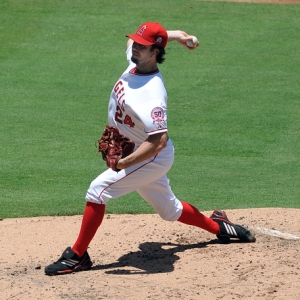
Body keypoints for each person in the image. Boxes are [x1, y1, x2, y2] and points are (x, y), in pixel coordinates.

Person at [45, 22, 255, 276]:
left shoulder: (152, 94)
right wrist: (174, 36)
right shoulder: (136, 60)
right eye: (135, 42)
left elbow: (159, 141)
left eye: (142, 46)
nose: (134, 47)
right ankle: (220, 227)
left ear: (155, 52)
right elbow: (134, 44)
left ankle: (77, 256)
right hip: (138, 152)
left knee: (97, 191)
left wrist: (124, 163)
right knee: (170, 210)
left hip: (150, 157)